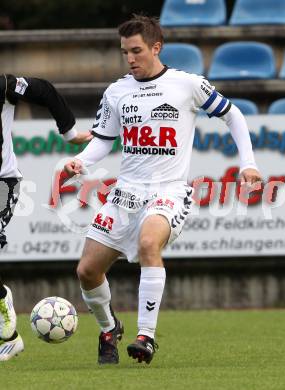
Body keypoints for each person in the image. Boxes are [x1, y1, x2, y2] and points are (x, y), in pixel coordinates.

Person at [64, 15, 262, 365]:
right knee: (87, 271)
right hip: (125, 194)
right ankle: (109, 328)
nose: (130, 59)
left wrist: (249, 163)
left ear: (156, 47)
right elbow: (103, 141)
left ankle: (146, 337)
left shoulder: (187, 84)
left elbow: (234, 116)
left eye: (137, 50)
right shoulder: (117, 91)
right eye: (125, 52)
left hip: (167, 192)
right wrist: (81, 161)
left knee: (148, 242)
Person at [0, 73, 92, 361]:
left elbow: (45, 91)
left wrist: (70, 133)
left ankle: (3, 300)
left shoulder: (4, 85)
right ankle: (10, 339)